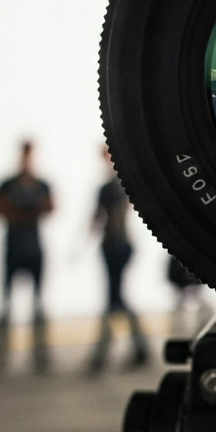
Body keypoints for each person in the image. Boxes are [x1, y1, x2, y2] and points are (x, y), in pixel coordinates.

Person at [0, 140, 54, 374]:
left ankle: (41, 359)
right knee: (6, 305)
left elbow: (50, 208)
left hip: (34, 250)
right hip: (13, 250)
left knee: (38, 305)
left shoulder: (41, 185)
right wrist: (20, 212)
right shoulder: (7, 185)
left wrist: (23, 212)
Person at [87, 146, 149, 373]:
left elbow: (105, 218)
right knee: (116, 298)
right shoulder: (114, 187)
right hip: (115, 245)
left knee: (115, 298)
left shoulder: (116, 187)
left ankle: (104, 352)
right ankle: (136, 347)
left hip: (117, 245)